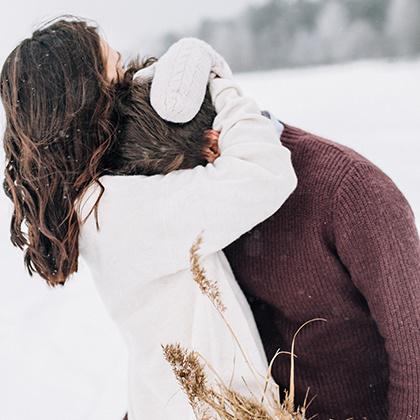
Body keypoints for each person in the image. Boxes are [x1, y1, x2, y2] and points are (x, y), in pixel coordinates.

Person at [0, 19, 297, 420]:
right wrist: (217, 83)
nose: (136, 78)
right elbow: (264, 175)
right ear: (91, 98)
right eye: (119, 69)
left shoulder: (96, 201)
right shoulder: (116, 210)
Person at [140, 45, 420, 419]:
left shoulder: (351, 190)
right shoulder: (206, 206)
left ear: (213, 147)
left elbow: (414, 348)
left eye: (181, 175)